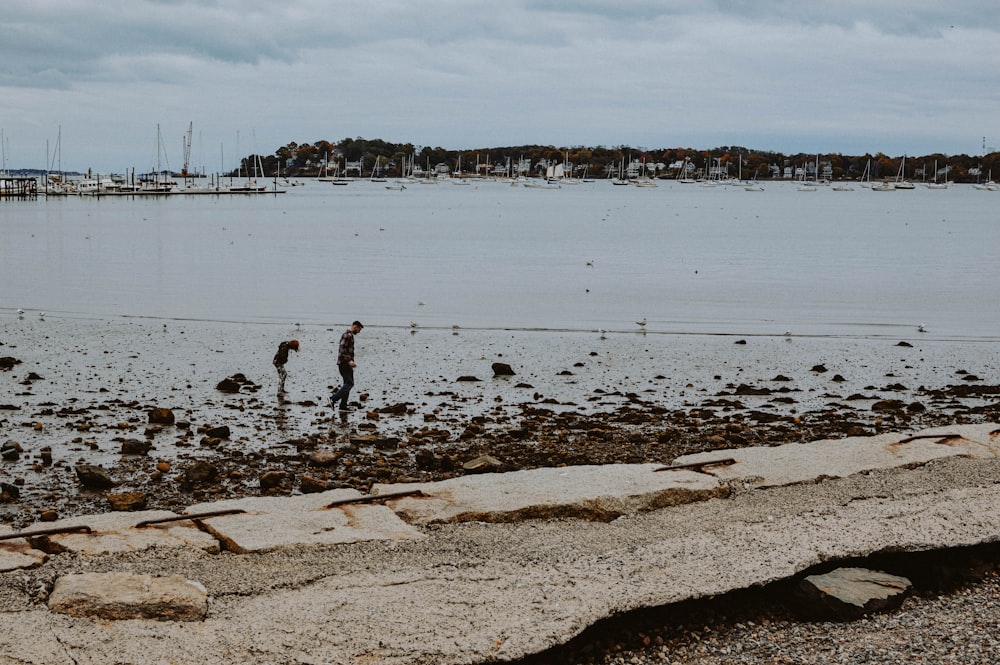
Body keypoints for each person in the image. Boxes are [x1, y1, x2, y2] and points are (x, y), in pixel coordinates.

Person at [329, 321, 363, 411]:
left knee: (346, 384)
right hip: (344, 363)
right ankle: (333, 398)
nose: (359, 332)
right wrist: (349, 361)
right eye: (359, 329)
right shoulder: (347, 335)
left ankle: (343, 405)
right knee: (349, 383)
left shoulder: (349, 335)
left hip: (345, 363)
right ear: (355, 326)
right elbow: (342, 349)